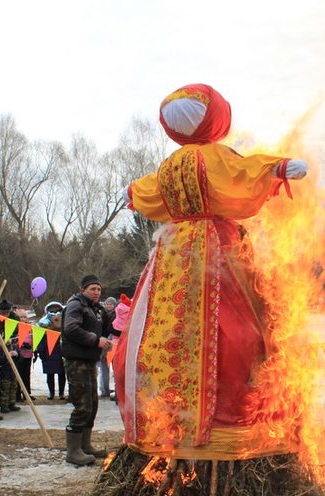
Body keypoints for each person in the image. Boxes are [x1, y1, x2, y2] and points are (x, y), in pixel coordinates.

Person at [113, 83, 308, 458]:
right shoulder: (214, 157)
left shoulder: (171, 166)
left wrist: (132, 193)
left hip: (172, 254)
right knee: (238, 329)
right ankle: (227, 427)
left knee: (162, 321)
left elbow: (149, 191)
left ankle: (166, 422)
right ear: (218, 117)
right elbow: (243, 172)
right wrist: (279, 167)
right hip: (216, 247)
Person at [61, 274, 110, 465]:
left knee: (92, 403)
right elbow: (71, 328)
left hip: (89, 360)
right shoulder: (76, 305)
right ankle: (73, 451)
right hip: (76, 360)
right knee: (82, 404)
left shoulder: (96, 309)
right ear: (83, 289)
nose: (96, 292)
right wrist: (96, 340)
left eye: (98, 289)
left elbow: (107, 328)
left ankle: (85, 445)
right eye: (92, 289)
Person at [36, 302, 65, 401]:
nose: (55, 313)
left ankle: (61, 393)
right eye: (52, 311)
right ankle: (51, 392)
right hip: (48, 350)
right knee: (50, 374)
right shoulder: (43, 323)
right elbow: (39, 338)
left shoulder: (64, 321)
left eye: (57, 310)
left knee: (62, 373)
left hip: (61, 350)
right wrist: (40, 351)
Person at [98, 297, 117, 399]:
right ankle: (104, 390)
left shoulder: (118, 314)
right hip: (103, 343)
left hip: (114, 344)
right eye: (107, 304)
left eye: (111, 304)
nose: (109, 306)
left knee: (115, 368)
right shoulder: (101, 314)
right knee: (104, 368)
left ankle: (116, 390)